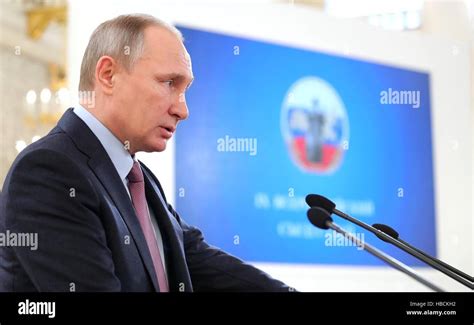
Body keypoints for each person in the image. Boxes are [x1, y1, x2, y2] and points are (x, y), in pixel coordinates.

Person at [0, 14, 290, 292]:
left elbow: (197, 260)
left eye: (185, 89)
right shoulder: (48, 171)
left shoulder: (139, 178)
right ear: (108, 75)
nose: (183, 110)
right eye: (168, 83)